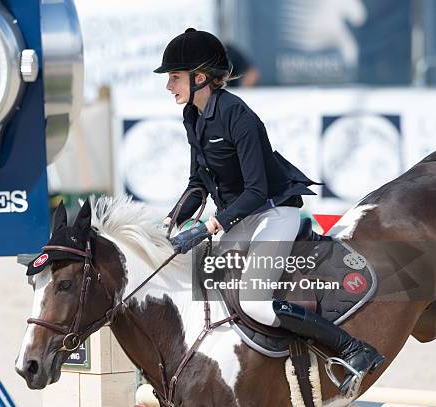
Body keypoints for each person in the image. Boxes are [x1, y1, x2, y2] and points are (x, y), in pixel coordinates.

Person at [154, 28, 385, 396]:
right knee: (202, 278)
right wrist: (169, 222)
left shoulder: (238, 116)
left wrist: (213, 224)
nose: (169, 85)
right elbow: (198, 183)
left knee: (255, 303)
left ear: (200, 77)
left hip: (274, 212)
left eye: (174, 77)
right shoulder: (192, 117)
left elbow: (258, 190)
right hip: (240, 216)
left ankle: (354, 349)